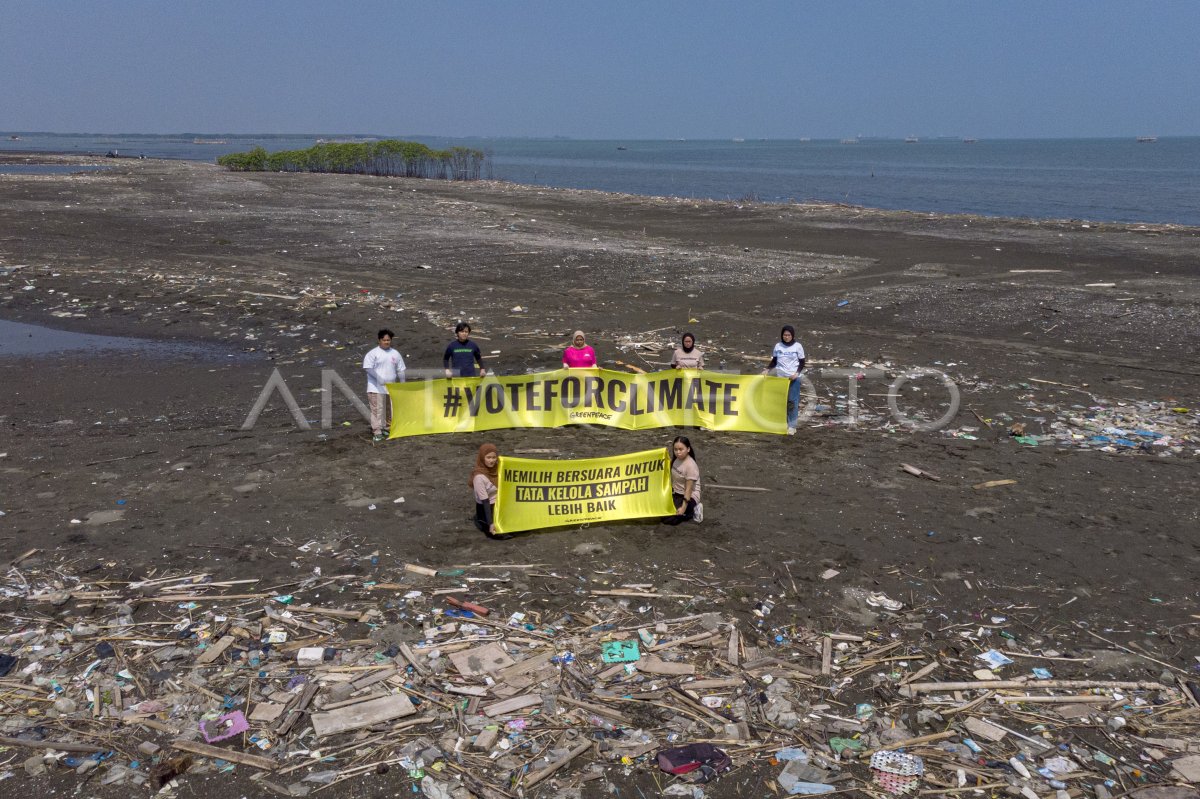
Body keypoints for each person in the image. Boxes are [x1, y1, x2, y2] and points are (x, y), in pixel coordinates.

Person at [362, 328, 406, 442]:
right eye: (384, 340)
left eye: (388, 340)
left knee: (390, 409)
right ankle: (377, 431)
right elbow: (368, 368)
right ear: (379, 340)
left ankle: (387, 427)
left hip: (391, 387)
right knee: (377, 409)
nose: (386, 342)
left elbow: (401, 370)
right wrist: (379, 378)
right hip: (375, 387)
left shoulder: (395, 353)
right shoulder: (373, 353)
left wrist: (402, 383)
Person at [763, 324, 806, 435]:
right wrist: (767, 369)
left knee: (792, 401)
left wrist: (796, 373)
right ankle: (783, 422)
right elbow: (774, 360)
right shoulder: (778, 346)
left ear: (792, 335)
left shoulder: (798, 346)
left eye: (788, 335)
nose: (786, 337)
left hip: (793, 378)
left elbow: (802, 362)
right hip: (780, 378)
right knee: (781, 401)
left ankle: (792, 426)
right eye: (784, 335)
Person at [470, 443, 511, 540]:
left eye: (494, 457)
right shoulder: (479, 477)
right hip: (486, 508)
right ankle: (482, 521)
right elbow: (485, 502)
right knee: (497, 533)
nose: (492, 461)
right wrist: (491, 523)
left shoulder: (498, 469)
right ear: (482, 458)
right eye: (488, 457)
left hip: (499, 504)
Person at [662, 436, 703, 525]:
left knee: (670, 519)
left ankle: (693, 510)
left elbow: (688, 490)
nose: (678, 452)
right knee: (660, 511)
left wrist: (683, 508)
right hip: (677, 493)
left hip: (689, 497)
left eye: (681, 449)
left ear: (688, 449)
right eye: (675, 449)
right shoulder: (676, 459)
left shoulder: (691, 466)